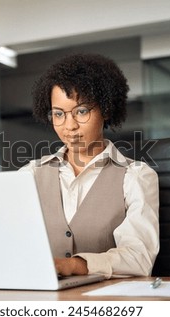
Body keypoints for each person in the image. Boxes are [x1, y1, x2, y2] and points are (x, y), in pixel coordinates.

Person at [20, 53, 159, 279]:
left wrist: (75, 265)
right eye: (59, 114)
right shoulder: (30, 175)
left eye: (81, 111)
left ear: (105, 110)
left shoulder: (135, 176)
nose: (70, 126)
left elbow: (139, 258)